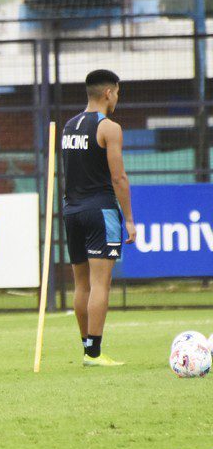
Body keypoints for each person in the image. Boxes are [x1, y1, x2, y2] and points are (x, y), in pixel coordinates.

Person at [61, 69, 135, 367]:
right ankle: (94, 353)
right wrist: (128, 218)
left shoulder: (69, 125)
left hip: (71, 211)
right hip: (100, 210)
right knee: (100, 284)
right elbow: (119, 178)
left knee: (81, 285)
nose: (117, 99)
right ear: (109, 92)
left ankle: (86, 348)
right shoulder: (109, 128)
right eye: (117, 93)